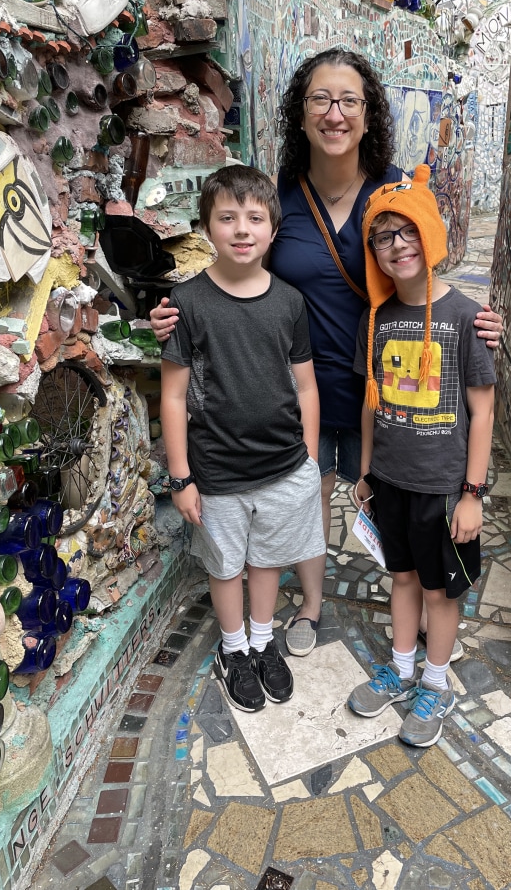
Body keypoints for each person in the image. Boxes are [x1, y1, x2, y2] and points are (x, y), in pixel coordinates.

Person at [151, 48, 503, 657]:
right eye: (321, 99)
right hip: (296, 389)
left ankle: (424, 602)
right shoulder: (280, 198)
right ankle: (310, 608)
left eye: (348, 101)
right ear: (301, 111)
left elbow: (426, 276)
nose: (335, 113)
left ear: (368, 115)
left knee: (407, 501)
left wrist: (477, 323)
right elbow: (233, 268)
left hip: (383, 391)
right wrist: (175, 310)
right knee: (306, 502)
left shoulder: (394, 194)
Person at [160, 165, 326, 713]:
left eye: (255, 217)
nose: (241, 229)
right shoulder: (187, 304)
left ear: (273, 230)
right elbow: (175, 397)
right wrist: (180, 477)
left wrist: (308, 458)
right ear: (207, 226)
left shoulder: (289, 303)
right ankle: (234, 650)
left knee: (267, 562)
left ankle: (261, 639)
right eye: (227, 217)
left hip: (283, 465)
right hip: (217, 471)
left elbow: (305, 383)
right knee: (226, 564)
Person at [346, 166, 495, 747]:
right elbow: (369, 401)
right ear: (373, 252)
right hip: (390, 480)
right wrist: (364, 471)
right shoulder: (375, 319)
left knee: (441, 590)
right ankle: (401, 668)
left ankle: (437, 681)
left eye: (407, 231)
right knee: (402, 578)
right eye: (383, 237)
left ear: (429, 234)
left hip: (443, 486)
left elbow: (482, 412)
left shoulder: (464, 317)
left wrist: (472, 494)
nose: (397, 245)